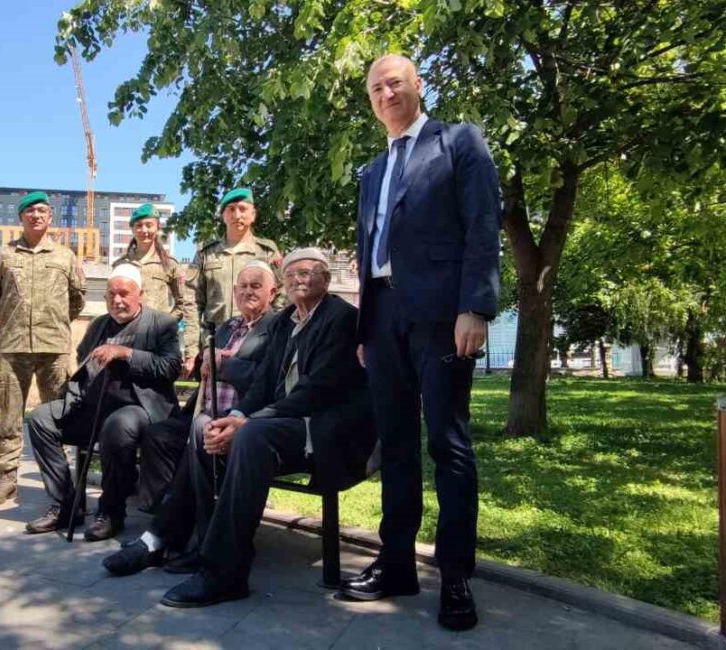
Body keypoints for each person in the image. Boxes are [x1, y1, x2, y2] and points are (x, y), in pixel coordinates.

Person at [345, 54, 501, 632]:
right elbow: (368, 256)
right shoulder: (370, 171)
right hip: (383, 316)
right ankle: (396, 563)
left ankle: (455, 574)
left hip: (441, 315)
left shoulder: (458, 142)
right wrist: (366, 328)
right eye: (375, 88)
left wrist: (475, 306)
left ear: (417, 86)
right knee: (396, 444)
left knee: (448, 442)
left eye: (394, 83)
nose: (385, 93)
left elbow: (483, 223)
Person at [160, 249, 376, 608]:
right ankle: (209, 546)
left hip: (325, 430)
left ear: (325, 278)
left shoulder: (341, 318)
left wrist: (247, 421)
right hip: (283, 420)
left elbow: (317, 390)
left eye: (306, 272)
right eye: (290, 274)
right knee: (205, 429)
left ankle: (224, 574)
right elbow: (262, 384)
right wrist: (239, 412)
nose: (297, 280)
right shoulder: (285, 321)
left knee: (251, 436)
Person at [102, 261, 281, 576]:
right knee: (160, 435)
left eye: (256, 286)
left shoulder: (278, 328)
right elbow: (205, 368)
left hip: (244, 418)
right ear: (235, 292)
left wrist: (222, 365)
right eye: (243, 286)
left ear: (272, 292)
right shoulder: (227, 326)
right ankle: (175, 531)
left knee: (200, 434)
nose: (248, 291)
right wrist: (203, 361)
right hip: (204, 410)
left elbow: (269, 378)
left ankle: (163, 539)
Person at [25, 265, 182, 540]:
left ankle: (111, 512)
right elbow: (83, 357)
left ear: (140, 295)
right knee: (41, 418)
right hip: (93, 407)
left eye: (124, 294)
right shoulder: (98, 324)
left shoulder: (161, 324)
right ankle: (66, 504)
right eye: (111, 294)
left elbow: (170, 367)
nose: (117, 300)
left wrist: (125, 353)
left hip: (140, 410)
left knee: (117, 426)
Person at [0, 191, 87, 507]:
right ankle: (7, 477)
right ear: (21, 217)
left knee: (58, 415)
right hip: (13, 347)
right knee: (10, 415)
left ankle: (57, 478)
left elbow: (77, 299)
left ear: (50, 217)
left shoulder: (65, 256)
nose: (36, 215)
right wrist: (14, 322)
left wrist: (52, 322)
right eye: (30, 211)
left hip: (54, 348)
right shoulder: (3, 256)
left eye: (42, 210)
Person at [185, 188, 282, 376]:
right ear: (223, 215)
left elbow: (281, 298)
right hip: (214, 340)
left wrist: (271, 334)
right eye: (230, 209)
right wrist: (191, 349)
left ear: (253, 215)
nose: (237, 215)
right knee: (211, 400)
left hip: (256, 343)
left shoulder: (267, 252)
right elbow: (192, 302)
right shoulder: (206, 254)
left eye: (242, 209)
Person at [112, 202, 199, 394]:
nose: (144, 230)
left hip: (157, 342)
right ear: (132, 229)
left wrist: (164, 321)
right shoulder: (120, 264)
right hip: (126, 337)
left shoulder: (169, 264)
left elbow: (185, 303)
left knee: (158, 392)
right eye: (139, 226)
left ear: (157, 227)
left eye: (149, 225)